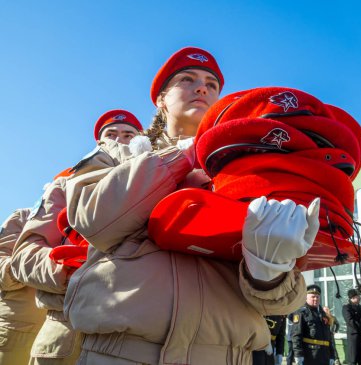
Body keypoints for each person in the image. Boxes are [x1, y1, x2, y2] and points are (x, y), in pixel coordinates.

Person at [63, 46, 315, 365]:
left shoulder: (249, 170)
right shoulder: (116, 153)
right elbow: (93, 219)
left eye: (211, 84)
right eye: (187, 79)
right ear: (161, 100)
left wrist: (270, 270)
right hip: (122, 353)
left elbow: (281, 304)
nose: (202, 88)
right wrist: (184, 155)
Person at [10, 110, 143, 365]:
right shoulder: (64, 186)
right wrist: (70, 274)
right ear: (98, 144)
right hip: (66, 333)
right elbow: (23, 258)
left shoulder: (158, 179)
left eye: (129, 135)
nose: (120, 141)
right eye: (111, 134)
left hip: (135, 335)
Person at [0, 208, 47, 364]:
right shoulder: (25, 216)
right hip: (16, 332)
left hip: (63, 337)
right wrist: (36, 265)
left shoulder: (91, 217)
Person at [292, 284, 335, 365]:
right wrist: (298, 354)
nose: (316, 299)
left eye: (317, 297)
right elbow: (296, 335)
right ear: (306, 297)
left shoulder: (323, 313)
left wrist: (332, 355)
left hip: (325, 355)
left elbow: (329, 336)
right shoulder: (301, 312)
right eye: (313, 297)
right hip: (310, 355)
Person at [342, 289, 361, 365]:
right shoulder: (346, 308)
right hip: (354, 337)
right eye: (357, 296)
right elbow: (350, 321)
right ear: (352, 297)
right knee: (353, 360)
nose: (359, 297)